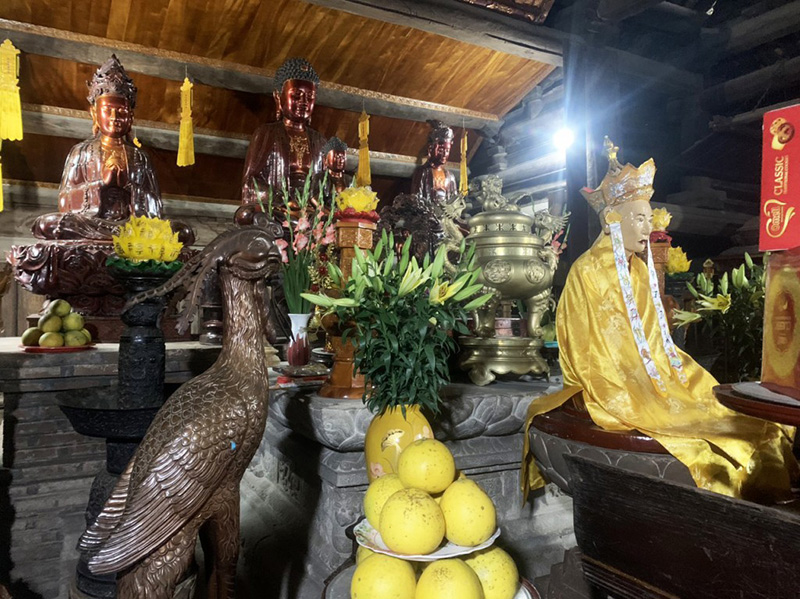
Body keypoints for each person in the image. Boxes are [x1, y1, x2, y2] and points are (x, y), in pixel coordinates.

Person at [522, 138, 798, 502]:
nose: (647, 229)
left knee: (744, 424)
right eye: (639, 219)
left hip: (657, 381)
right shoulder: (586, 272)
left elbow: (655, 342)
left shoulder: (638, 271)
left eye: (649, 219)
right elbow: (592, 357)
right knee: (701, 441)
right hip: (613, 386)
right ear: (611, 221)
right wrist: (640, 388)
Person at [32, 55, 193, 244]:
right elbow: (65, 199)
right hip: (92, 222)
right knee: (47, 224)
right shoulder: (82, 151)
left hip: (132, 226)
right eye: (108, 110)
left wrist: (129, 187)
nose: (115, 117)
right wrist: (102, 183)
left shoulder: (140, 157)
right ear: (94, 114)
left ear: (131, 117)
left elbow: (155, 204)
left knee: (182, 231)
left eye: (122, 112)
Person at [238, 57, 326, 222]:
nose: (303, 102)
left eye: (310, 97)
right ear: (278, 97)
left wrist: (316, 202)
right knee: (246, 215)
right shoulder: (266, 133)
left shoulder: (320, 141)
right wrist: (282, 199)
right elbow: (250, 182)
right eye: (297, 95)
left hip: (311, 212)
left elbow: (325, 185)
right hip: (279, 209)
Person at [410, 120, 457, 207]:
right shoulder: (423, 172)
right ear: (430, 149)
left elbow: (454, 202)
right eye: (441, 150)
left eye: (447, 151)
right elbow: (416, 199)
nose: (444, 154)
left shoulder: (450, 176)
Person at [311, 136, 352, 211]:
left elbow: (353, 200)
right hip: (325, 212)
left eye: (342, 158)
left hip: (344, 214)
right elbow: (314, 198)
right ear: (325, 160)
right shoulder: (320, 177)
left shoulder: (349, 180)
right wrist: (327, 212)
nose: (340, 161)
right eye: (336, 157)